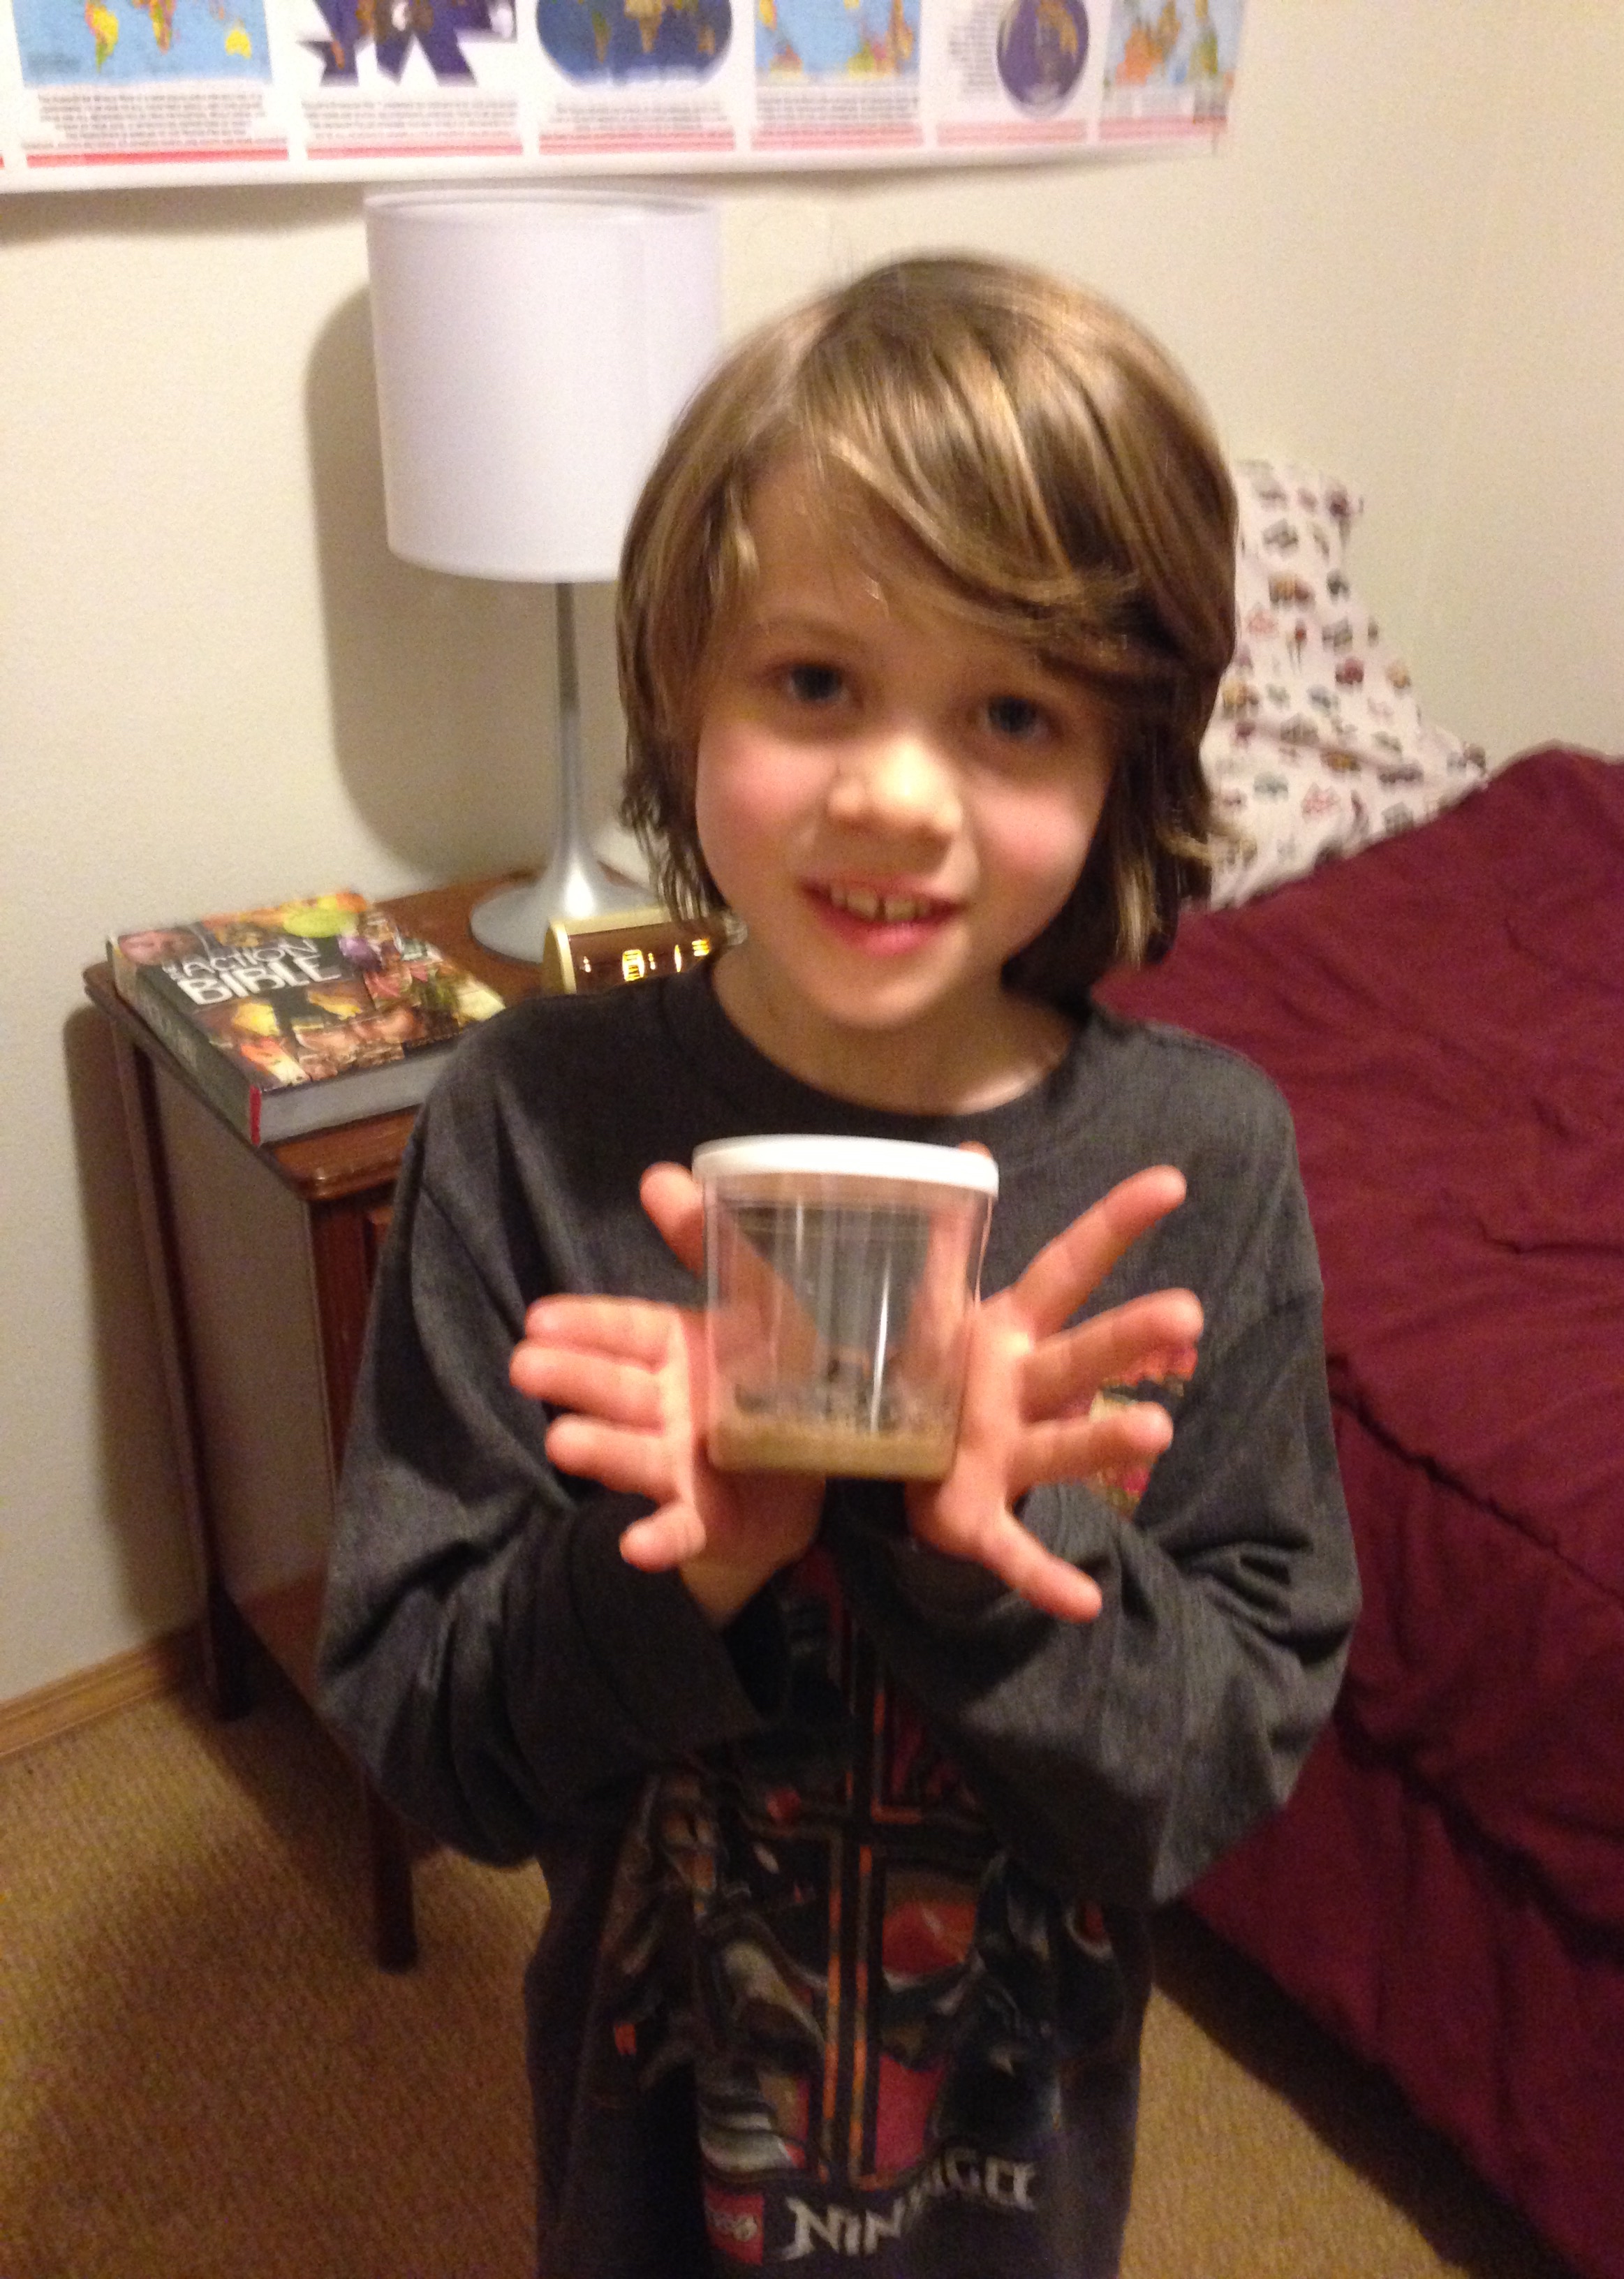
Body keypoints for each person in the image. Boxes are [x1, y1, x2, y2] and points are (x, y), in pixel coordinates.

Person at [318, 253, 1359, 2279]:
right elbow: (429, 1736)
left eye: (1013, 712)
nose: (893, 792)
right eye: (813, 683)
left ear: (1123, 757)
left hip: (1014, 2186)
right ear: (682, 684)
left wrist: (994, 1550)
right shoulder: (526, 1124)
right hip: (645, 2165)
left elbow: (1221, 1764)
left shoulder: (1202, 1167)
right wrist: (688, 1556)